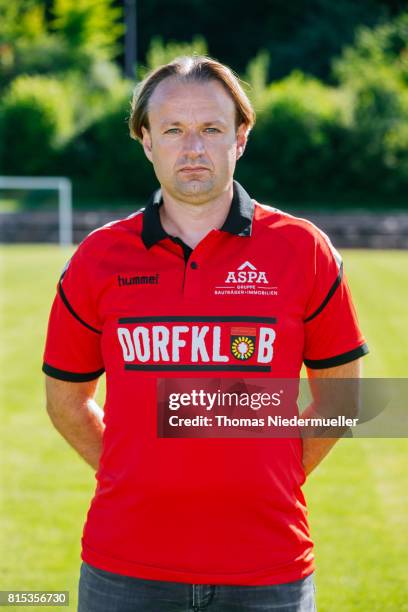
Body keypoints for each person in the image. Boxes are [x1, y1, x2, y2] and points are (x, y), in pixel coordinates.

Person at [42, 55, 368, 612]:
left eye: (211, 129)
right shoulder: (97, 258)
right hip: (125, 566)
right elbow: (66, 400)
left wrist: (281, 471)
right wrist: (132, 468)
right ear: (147, 141)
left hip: (268, 567)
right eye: (173, 129)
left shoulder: (303, 250)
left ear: (240, 138)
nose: (193, 147)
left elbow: (345, 398)